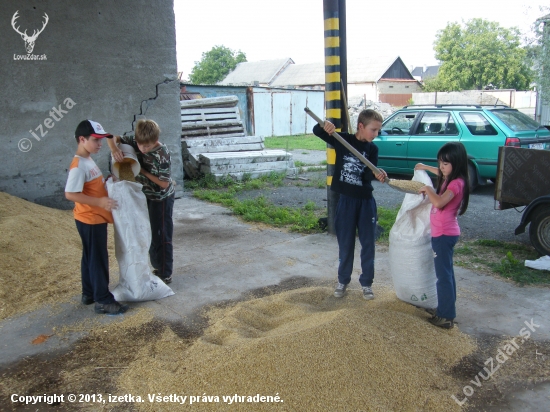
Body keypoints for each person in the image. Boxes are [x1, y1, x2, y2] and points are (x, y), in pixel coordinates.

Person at [313, 110, 387, 299]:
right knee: (345, 243)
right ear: (361, 126)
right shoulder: (342, 139)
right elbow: (317, 131)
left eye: (378, 130)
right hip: (346, 202)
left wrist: (379, 174)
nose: (376, 134)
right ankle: (343, 280)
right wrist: (326, 125)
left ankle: (367, 283)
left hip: (365, 202)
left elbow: (369, 175)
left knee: (368, 244)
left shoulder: (372, 149)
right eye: (373, 130)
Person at [65, 120, 129, 315]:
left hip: (91, 218)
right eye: (95, 140)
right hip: (90, 218)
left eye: (101, 140)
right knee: (98, 259)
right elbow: (70, 194)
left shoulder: (88, 158)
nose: (100, 144)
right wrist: (100, 202)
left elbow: (91, 185)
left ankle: (89, 293)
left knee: (90, 257)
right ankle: (103, 300)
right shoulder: (78, 165)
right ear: (81, 139)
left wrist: (107, 182)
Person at [107, 119, 175, 284]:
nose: (143, 149)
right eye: (140, 145)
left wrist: (142, 171)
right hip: (145, 195)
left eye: (148, 146)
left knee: (161, 234)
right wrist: (114, 149)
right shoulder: (136, 140)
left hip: (161, 198)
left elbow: (164, 183)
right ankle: (156, 267)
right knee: (149, 231)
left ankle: (165, 273)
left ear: (156, 140)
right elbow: (110, 136)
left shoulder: (163, 153)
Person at [415, 142, 470, 329]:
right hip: (443, 234)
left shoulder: (456, 184)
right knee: (447, 273)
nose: (441, 167)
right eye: (439, 163)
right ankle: (447, 308)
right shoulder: (450, 177)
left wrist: (428, 189)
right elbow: (439, 173)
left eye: (445, 164)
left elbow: (438, 203)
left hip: (444, 235)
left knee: (443, 276)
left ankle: (445, 316)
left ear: (457, 163)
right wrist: (424, 167)